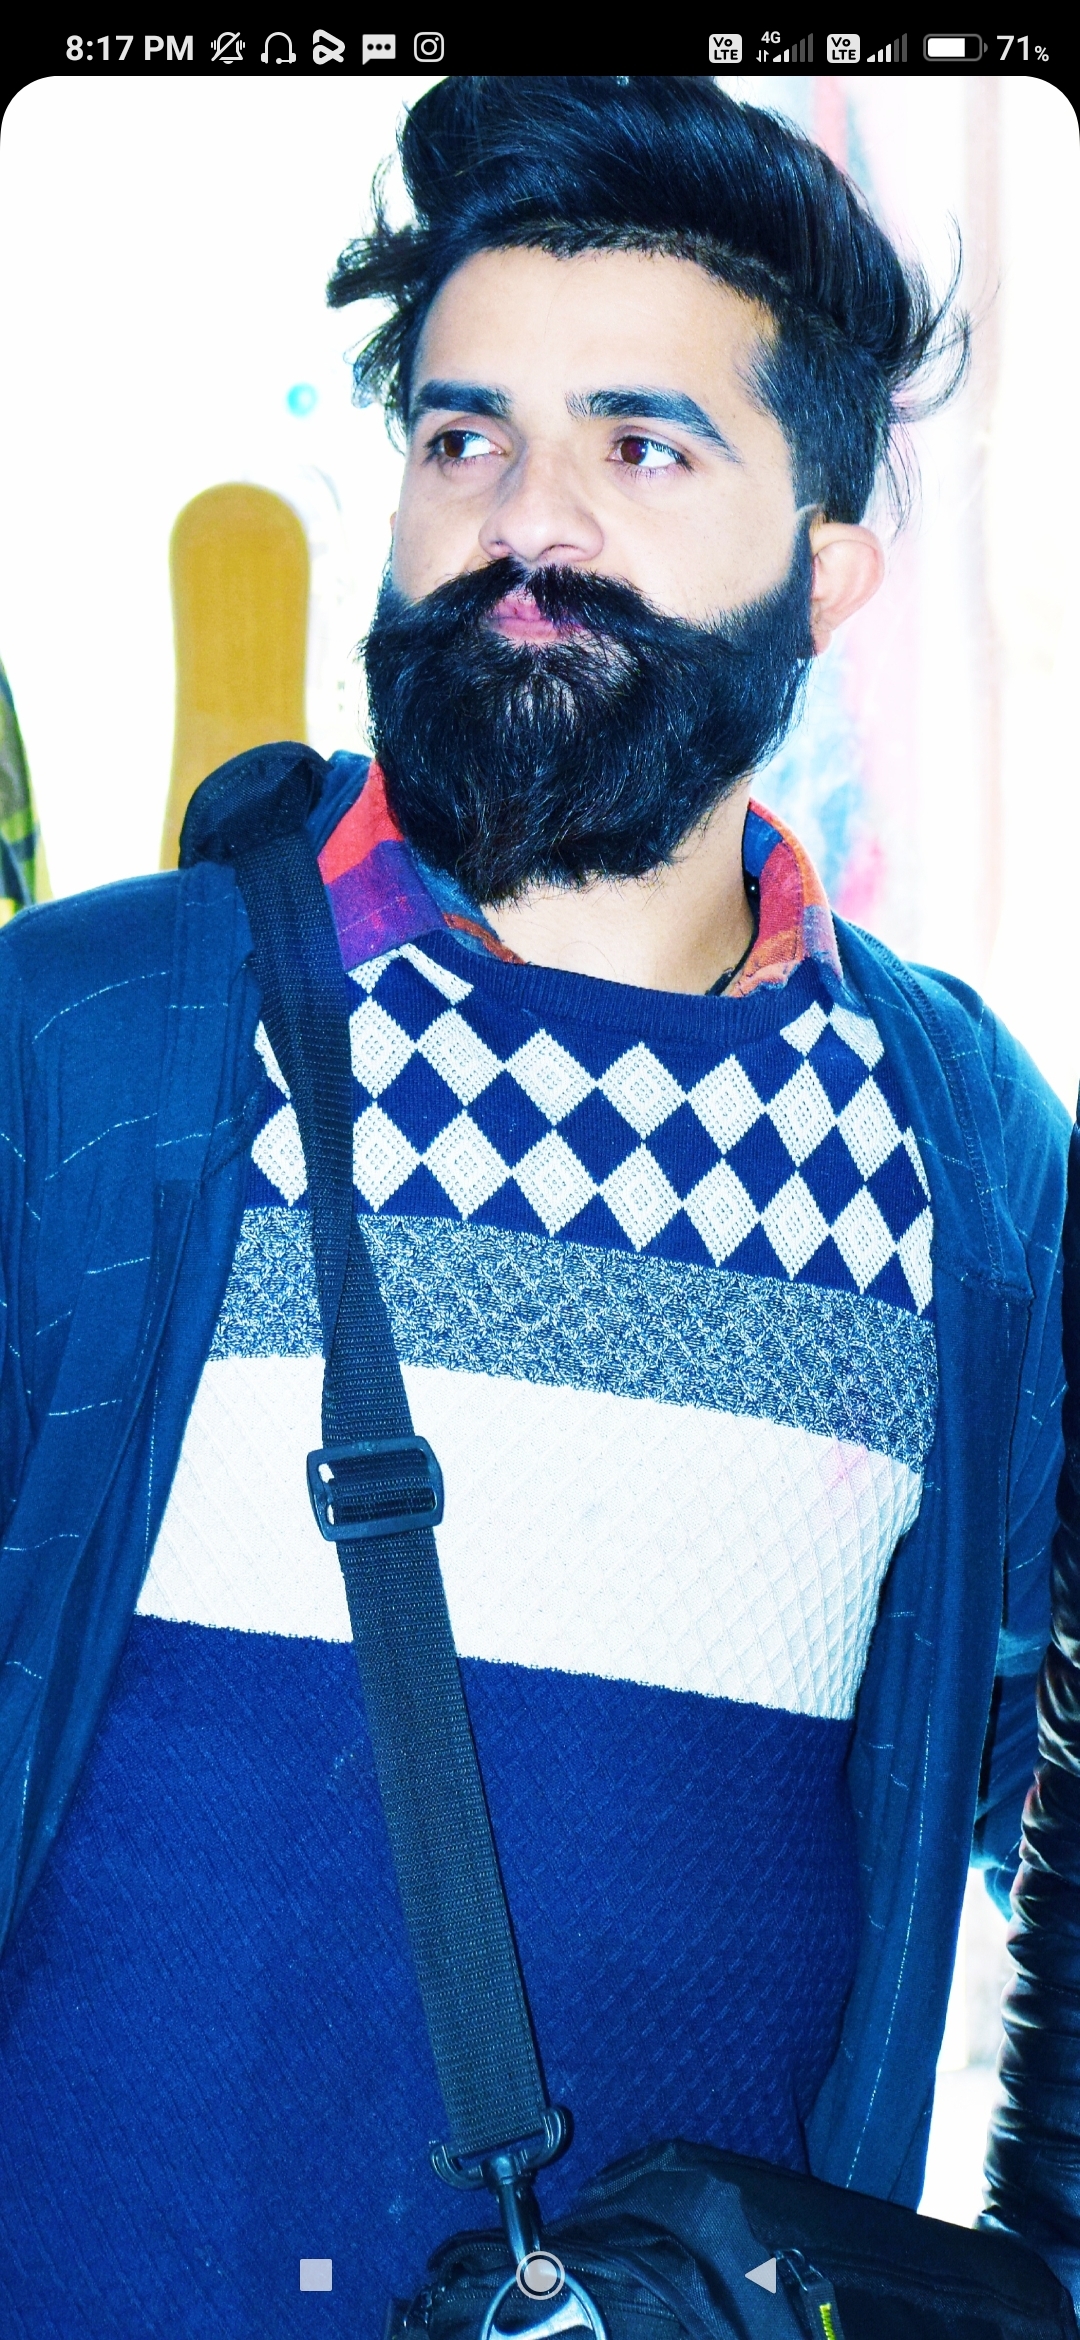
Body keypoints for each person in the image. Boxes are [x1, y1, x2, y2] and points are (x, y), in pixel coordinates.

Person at [0, 74, 1071, 2337]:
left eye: (642, 449)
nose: (524, 523)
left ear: (828, 568)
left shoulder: (966, 1148)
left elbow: (1025, 1779)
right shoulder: (95, 1051)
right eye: (465, 439)